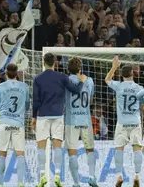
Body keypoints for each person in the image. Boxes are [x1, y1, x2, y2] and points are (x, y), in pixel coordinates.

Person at [32, 53, 87, 187]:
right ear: (55, 63)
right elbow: (75, 90)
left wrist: (34, 117)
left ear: (44, 62)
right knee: (57, 145)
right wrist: (81, 81)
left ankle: (42, 177)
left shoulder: (37, 78)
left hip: (43, 115)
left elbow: (36, 100)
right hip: (58, 115)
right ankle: (57, 175)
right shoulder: (62, 77)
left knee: (41, 147)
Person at [105, 56, 143, 187]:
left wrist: (114, 67)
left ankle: (119, 176)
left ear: (121, 76)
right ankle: (137, 175)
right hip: (135, 122)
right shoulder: (139, 87)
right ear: (133, 74)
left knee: (119, 149)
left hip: (122, 123)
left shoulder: (118, 86)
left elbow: (107, 79)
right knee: (137, 149)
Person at [0, 63, 30, 187]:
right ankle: (20, 183)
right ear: (17, 73)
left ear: (6, 73)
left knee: (2, 153)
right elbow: (27, 105)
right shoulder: (25, 86)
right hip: (18, 123)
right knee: (20, 153)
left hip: (4, 122)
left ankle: (0, 183)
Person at [64, 57, 97, 187]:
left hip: (71, 121)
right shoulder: (89, 80)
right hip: (86, 120)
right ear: (80, 68)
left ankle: (76, 183)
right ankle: (92, 177)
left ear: (68, 69)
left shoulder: (65, 81)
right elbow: (91, 98)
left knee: (72, 151)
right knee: (90, 149)